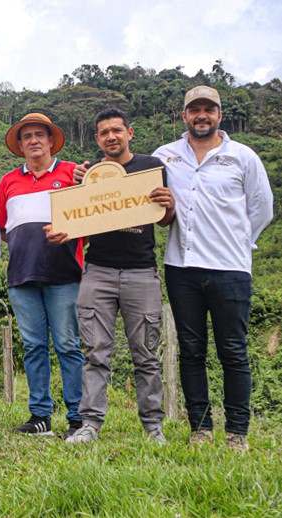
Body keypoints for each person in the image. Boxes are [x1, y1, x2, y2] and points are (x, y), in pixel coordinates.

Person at [153, 86, 273, 452]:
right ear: (184, 115)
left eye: (209, 109)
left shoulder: (242, 157)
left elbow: (262, 208)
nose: (201, 115)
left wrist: (238, 242)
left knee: (233, 351)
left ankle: (237, 432)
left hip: (231, 269)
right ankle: (200, 428)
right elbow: (134, 189)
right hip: (181, 266)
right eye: (195, 109)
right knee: (191, 351)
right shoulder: (165, 156)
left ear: (220, 115)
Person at [45, 108, 175, 444]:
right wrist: (65, 231)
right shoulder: (89, 174)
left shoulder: (151, 167)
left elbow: (164, 219)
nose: (111, 137)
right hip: (98, 271)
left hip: (142, 271)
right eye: (104, 132)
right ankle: (90, 424)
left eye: (117, 130)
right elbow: (81, 222)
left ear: (130, 132)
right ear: (97, 138)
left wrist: (169, 205)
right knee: (95, 352)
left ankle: (153, 427)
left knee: (146, 354)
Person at [0, 113, 85, 438]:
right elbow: (2, 228)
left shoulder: (73, 173)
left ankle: (77, 417)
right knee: (33, 347)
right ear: (20, 145)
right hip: (22, 275)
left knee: (68, 345)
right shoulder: (8, 182)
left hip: (65, 274)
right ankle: (40, 415)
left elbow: (93, 215)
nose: (33, 140)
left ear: (50, 140)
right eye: (27, 136)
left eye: (39, 135)